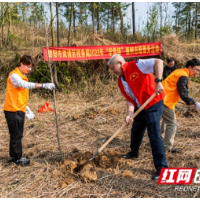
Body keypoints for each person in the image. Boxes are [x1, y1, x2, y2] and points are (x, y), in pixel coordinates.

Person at [107, 54, 168, 180]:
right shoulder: (121, 81)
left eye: (113, 68)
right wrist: (130, 114)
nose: (113, 71)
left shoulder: (137, 65)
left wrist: (158, 81)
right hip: (140, 107)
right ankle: (133, 153)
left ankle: (162, 168)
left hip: (153, 103)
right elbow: (130, 100)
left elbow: (159, 62)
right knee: (136, 131)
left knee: (153, 134)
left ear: (120, 63)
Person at [4, 55, 55, 166]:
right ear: (21, 63)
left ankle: (13, 156)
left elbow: (18, 95)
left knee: (16, 134)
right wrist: (43, 85)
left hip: (18, 109)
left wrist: (27, 109)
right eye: (28, 66)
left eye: (31, 67)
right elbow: (25, 85)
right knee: (17, 135)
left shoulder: (22, 76)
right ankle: (18, 158)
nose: (30, 69)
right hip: (13, 111)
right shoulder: (14, 76)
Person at [161, 59, 200, 153]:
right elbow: (184, 94)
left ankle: (159, 141)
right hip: (165, 100)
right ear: (190, 67)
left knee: (166, 121)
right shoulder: (183, 76)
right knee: (172, 122)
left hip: (161, 98)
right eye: (196, 70)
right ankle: (167, 147)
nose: (197, 73)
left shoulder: (179, 71)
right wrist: (195, 103)